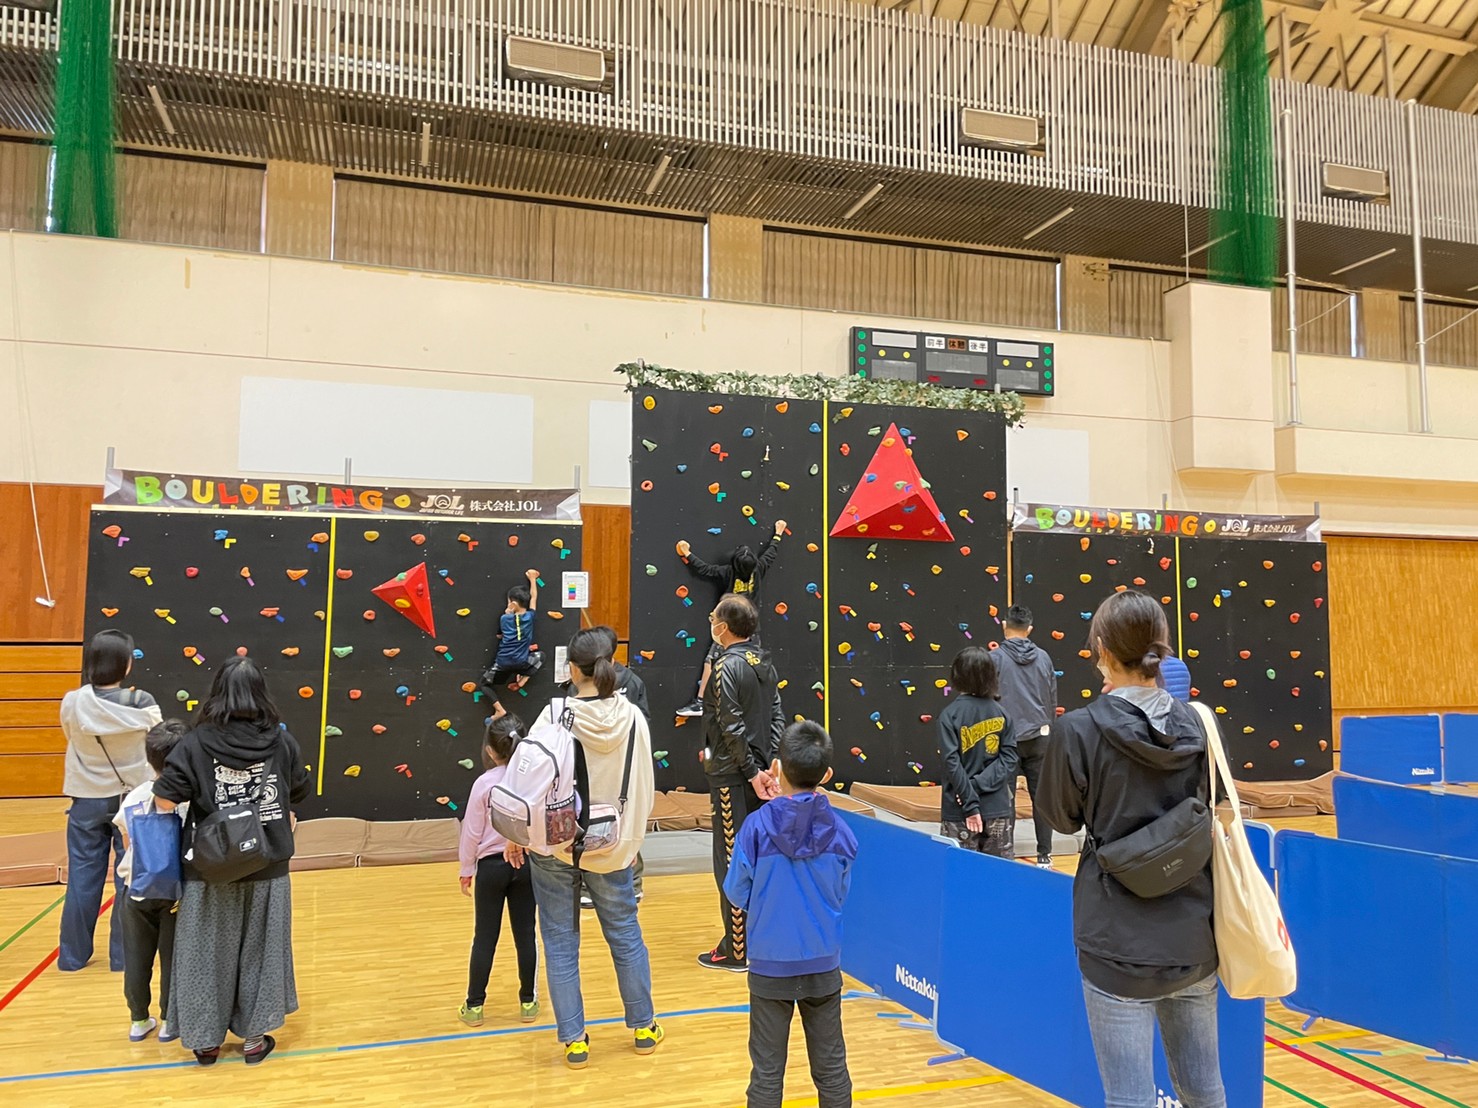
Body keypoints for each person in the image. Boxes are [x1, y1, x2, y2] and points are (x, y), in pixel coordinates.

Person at [1037, 590, 1224, 1108]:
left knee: (1129, 1099)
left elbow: (1059, 816)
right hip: (1193, 937)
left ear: (1100, 649)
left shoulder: (1077, 729)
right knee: (1205, 1091)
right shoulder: (1201, 725)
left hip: (1115, 941)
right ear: (1159, 649)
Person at [505, 628, 660, 1070]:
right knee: (626, 935)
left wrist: (519, 836)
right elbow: (645, 787)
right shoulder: (633, 717)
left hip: (555, 846)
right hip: (613, 847)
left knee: (558, 942)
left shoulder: (554, 714)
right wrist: (630, 844)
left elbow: (525, 782)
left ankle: (574, 1040)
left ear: (572, 669)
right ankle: (644, 1028)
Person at [152, 655, 311, 1066]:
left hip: (210, 869)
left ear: (217, 692)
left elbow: (165, 797)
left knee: (205, 953)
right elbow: (299, 791)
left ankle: (206, 1043)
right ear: (261, 692)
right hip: (268, 866)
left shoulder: (195, 741)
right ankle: (254, 1040)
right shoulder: (281, 740)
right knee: (261, 951)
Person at [725, 720, 857, 1108]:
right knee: (832, 1069)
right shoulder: (843, 833)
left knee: (766, 1074)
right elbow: (840, 894)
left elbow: (735, 891)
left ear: (778, 767)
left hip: (769, 965)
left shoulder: (754, 828)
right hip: (822, 964)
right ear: (828, 775)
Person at [57, 629, 163, 972]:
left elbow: (71, 736)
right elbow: (159, 746)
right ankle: (124, 957)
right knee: (130, 878)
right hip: (133, 800)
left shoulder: (72, 702)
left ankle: (72, 957)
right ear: (127, 665)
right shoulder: (143, 703)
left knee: (82, 878)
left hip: (86, 798)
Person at [698, 593, 784, 972]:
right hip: (761, 774)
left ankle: (737, 950)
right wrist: (769, 764)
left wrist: (750, 772)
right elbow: (777, 714)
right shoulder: (764, 662)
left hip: (735, 778)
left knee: (731, 861)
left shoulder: (724, 665)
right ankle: (757, 938)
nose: (711, 622)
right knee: (760, 858)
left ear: (725, 627)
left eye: (715, 617)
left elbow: (730, 726)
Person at [457, 712, 538, 1027]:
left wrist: (466, 869)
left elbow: (471, 832)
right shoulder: (536, 781)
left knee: (484, 937)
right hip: (527, 866)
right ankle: (528, 1002)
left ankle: (474, 1007)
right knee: (526, 935)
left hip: (491, 869)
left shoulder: (484, 783)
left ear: (491, 751)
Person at [113, 718, 189, 1042]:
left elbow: (127, 841)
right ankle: (171, 1020)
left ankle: (139, 1019)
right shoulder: (188, 800)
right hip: (175, 893)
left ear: (149, 759)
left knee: (137, 959)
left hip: (136, 890)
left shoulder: (134, 797)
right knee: (173, 958)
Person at [674, 519, 787, 716]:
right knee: (753, 664)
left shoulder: (727, 572)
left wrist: (687, 553)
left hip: (728, 627)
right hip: (751, 628)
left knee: (712, 660)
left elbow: (705, 569)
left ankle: (701, 701)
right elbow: (771, 554)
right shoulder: (758, 569)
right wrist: (778, 534)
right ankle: (753, 702)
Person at [992, 605, 1059, 867]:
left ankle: (1005, 853)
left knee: (1004, 799)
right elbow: (1051, 699)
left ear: (1004, 625)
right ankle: (1045, 855)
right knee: (1041, 799)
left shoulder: (994, 658)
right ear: (1029, 629)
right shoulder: (1044, 658)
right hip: (1040, 737)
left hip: (1005, 738)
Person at [937, 646, 1019, 857]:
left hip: (959, 811)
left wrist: (970, 800)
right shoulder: (1002, 714)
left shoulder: (949, 715)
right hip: (997, 809)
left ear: (956, 675)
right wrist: (978, 787)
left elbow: (952, 763)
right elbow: (1008, 759)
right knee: (998, 879)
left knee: (960, 880)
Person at [484, 569, 543, 691]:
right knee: (541, 656)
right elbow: (533, 598)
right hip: (522, 663)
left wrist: (508, 614)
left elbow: (499, 636)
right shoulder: (530, 616)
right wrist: (533, 579)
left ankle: (499, 709)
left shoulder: (504, 619)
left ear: (513, 603)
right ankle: (522, 681)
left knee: (484, 684)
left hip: (503, 663)